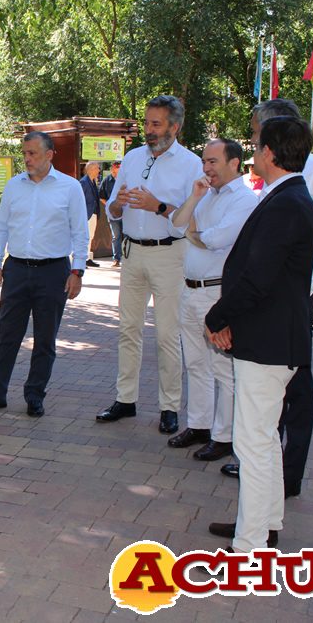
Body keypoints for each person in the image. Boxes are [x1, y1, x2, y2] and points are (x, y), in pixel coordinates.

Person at [220, 99, 313, 499]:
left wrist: (295, 289)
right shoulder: (275, 180)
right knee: (268, 399)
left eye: (256, 134)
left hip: (290, 295)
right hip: (270, 295)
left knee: (296, 389)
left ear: (273, 138)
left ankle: (286, 474)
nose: (252, 142)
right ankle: (264, 473)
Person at [205, 116, 313, 552]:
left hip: (269, 342)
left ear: (269, 153)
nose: (253, 152)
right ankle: (266, 524)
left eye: (255, 146)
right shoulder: (286, 196)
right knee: (265, 438)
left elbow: (258, 278)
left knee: (252, 443)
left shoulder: (288, 202)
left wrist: (218, 316)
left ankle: (250, 544)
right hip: (272, 338)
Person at [96, 95, 203, 434]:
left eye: (156, 124)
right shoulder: (131, 157)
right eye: (146, 123)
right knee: (128, 329)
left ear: (176, 126)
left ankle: (169, 407)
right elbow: (112, 209)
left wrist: (157, 206)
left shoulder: (191, 165)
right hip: (131, 253)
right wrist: (119, 205)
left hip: (170, 255)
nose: (149, 131)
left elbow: (191, 220)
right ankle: (125, 399)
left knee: (168, 335)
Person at [0, 131, 90, 418]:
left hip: (53, 272)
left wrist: (77, 271)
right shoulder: (13, 186)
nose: (26, 159)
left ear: (49, 155)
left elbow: (80, 234)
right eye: (24, 153)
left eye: (32, 153)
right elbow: (2, 227)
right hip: (17, 269)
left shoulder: (70, 188)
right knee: (7, 335)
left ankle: (35, 396)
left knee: (45, 339)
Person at [166, 139, 257, 460]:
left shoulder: (245, 199)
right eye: (204, 161)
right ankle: (200, 425)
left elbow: (218, 239)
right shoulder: (206, 195)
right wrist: (194, 198)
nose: (206, 168)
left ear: (234, 163)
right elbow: (176, 225)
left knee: (222, 368)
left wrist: (195, 234)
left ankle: (224, 436)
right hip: (189, 291)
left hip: (217, 293)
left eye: (213, 162)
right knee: (195, 363)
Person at [100, 163, 123, 267]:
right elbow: (102, 196)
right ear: (110, 170)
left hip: (126, 212)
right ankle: (116, 258)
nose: (115, 175)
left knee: (128, 235)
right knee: (116, 236)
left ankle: (128, 258)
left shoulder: (125, 179)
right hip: (113, 213)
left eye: (117, 172)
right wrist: (110, 206)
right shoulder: (106, 181)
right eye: (113, 172)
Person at [80, 161, 102, 267]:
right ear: (91, 169)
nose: (99, 170)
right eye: (97, 168)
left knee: (90, 236)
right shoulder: (83, 182)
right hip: (86, 214)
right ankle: (81, 259)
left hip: (93, 213)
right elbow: (79, 200)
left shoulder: (93, 182)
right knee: (84, 237)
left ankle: (87, 258)